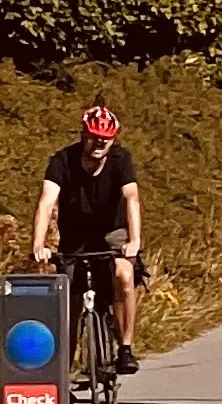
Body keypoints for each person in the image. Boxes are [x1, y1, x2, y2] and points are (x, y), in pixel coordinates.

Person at [33, 103, 145, 373]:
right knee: (67, 296)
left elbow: (131, 198)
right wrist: (39, 243)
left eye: (105, 139)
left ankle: (125, 348)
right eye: (94, 136)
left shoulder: (120, 160)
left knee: (124, 276)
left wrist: (134, 240)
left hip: (112, 232)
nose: (99, 143)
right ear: (83, 135)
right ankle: (63, 372)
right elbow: (47, 202)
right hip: (76, 235)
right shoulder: (62, 161)